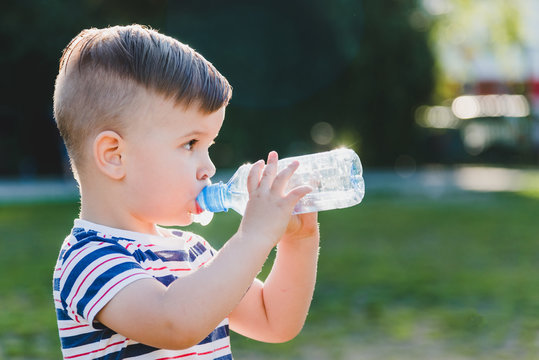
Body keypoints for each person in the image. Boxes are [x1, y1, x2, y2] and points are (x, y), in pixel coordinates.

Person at [52, 24, 320, 359]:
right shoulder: (88, 260)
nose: (208, 168)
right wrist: (253, 237)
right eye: (190, 143)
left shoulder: (195, 253)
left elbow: (274, 321)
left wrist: (299, 241)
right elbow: (173, 324)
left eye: (209, 145)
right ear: (114, 156)